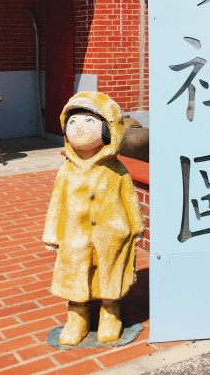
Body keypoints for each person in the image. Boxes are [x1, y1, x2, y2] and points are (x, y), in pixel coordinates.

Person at [43, 92, 145, 346]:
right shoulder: (66, 171)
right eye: (74, 122)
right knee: (75, 275)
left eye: (89, 121)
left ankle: (111, 314)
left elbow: (129, 199)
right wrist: (52, 235)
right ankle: (77, 317)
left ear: (109, 128)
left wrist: (136, 226)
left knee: (111, 276)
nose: (80, 128)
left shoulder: (116, 170)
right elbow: (57, 203)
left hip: (112, 235)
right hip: (74, 237)